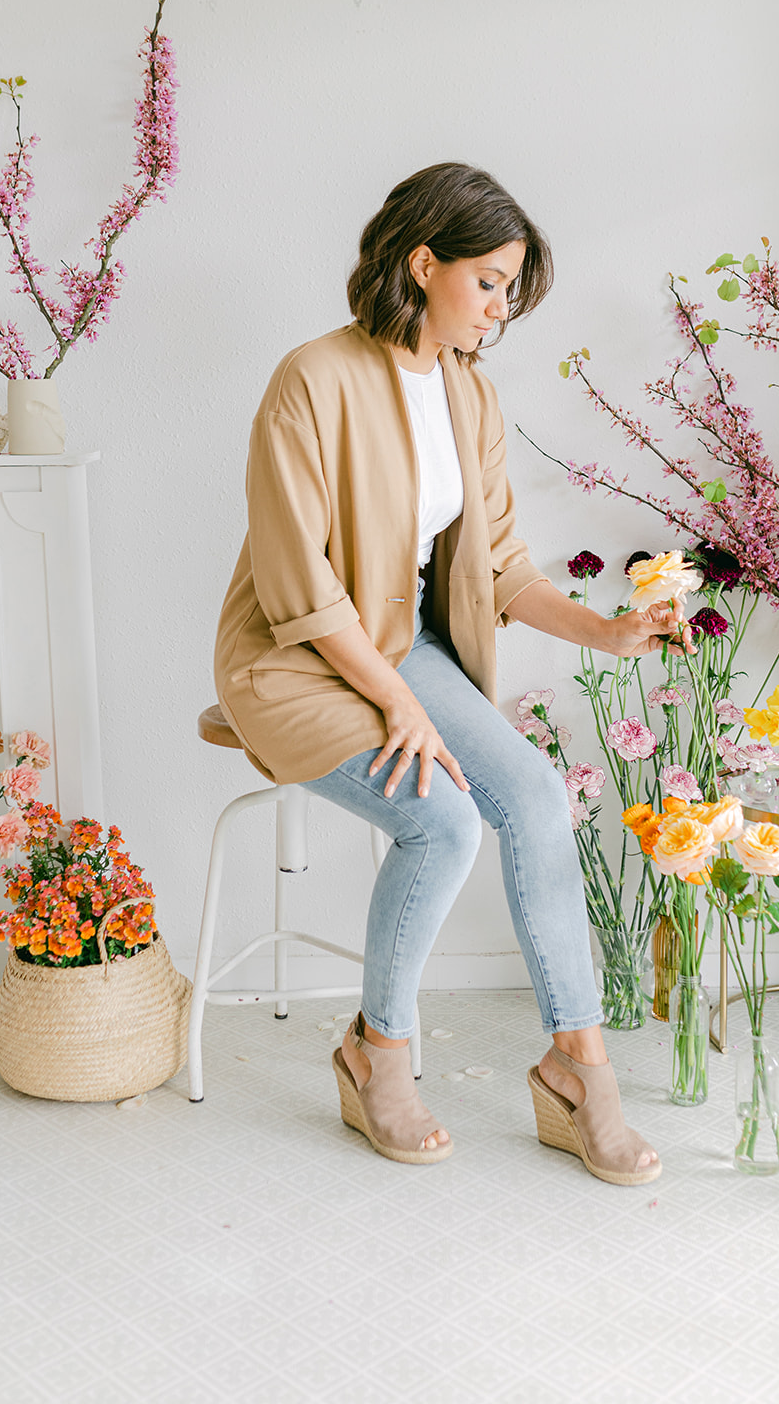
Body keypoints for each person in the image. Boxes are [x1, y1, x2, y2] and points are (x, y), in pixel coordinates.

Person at [214, 162, 692, 1184]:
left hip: (398, 651)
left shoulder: (467, 395)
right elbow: (298, 588)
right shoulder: (313, 377)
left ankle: (577, 1065)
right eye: (487, 280)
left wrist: (607, 633)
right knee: (441, 818)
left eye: (509, 289)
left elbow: (502, 569)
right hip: (297, 656)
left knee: (532, 797)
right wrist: (395, 700)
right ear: (421, 262)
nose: (498, 307)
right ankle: (375, 1051)